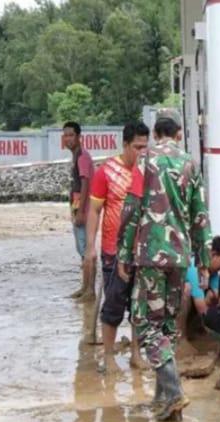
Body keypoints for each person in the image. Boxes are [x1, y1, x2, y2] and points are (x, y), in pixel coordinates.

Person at [117, 108, 212, 422]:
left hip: (151, 256)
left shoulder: (146, 161)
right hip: (180, 256)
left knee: (145, 324)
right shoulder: (190, 164)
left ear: (155, 134)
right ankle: (165, 402)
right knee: (168, 325)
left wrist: (123, 254)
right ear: (179, 134)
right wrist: (204, 261)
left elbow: (131, 209)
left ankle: (172, 391)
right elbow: (200, 217)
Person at [84, 122, 150, 372]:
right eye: (137, 147)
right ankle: (109, 357)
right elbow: (94, 210)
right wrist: (90, 247)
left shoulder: (148, 172)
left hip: (142, 252)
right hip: (114, 252)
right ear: (125, 145)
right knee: (113, 306)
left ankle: (135, 354)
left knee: (138, 306)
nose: (141, 152)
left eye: (145, 147)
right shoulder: (106, 172)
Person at [65, 121, 96, 302]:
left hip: (82, 206)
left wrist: (81, 212)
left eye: (71, 135)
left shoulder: (82, 157)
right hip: (78, 205)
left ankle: (89, 290)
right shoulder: (77, 155)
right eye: (66, 135)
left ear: (78, 137)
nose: (68, 138)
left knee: (86, 250)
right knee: (83, 250)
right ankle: (85, 288)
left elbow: (85, 183)